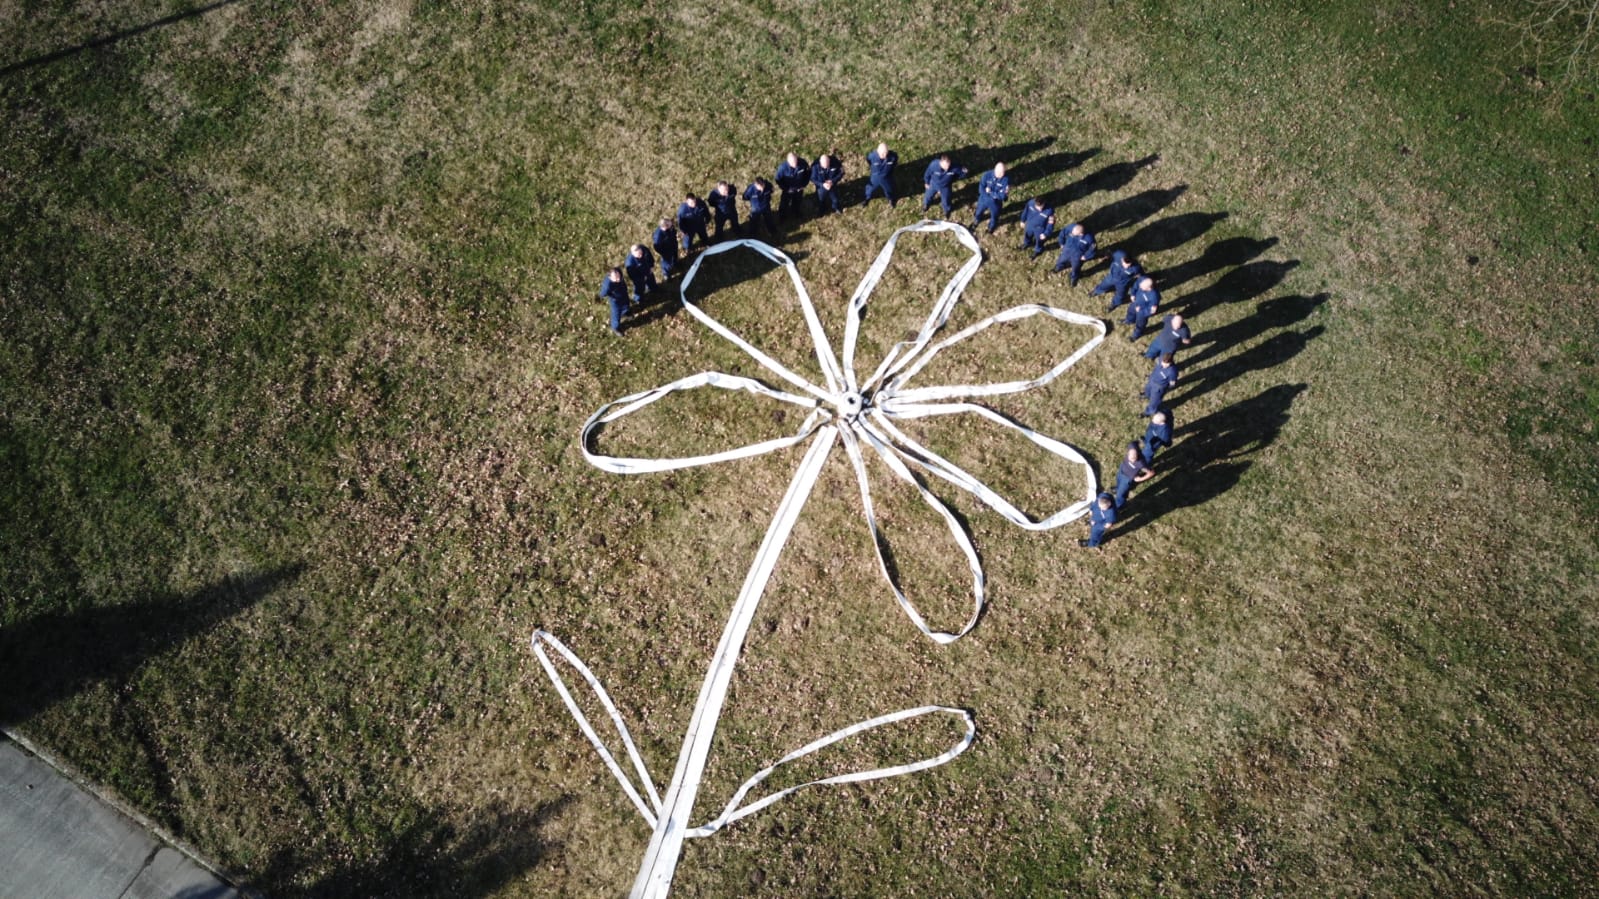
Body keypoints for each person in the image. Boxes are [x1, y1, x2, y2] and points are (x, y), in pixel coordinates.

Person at [1113, 443, 1154, 511]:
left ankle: (1119, 505)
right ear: (1128, 452)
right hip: (1121, 471)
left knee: (1120, 495)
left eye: (1134, 459)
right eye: (1130, 458)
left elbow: (1151, 473)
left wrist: (1140, 479)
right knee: (1118, 481)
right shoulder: (1132, 446)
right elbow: (1134, 443)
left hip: (1127, 479)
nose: (1132, 460)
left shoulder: (1140, 464)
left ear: (1137, 455)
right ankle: (1117, 488)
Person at [971, 162, 1009, 234]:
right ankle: (977, 220)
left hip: (996, 203)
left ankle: (991, 227)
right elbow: (981, 189)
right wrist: (993, 194)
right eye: (999, 172)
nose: (1001, 175)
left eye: (1003, 172)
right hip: (983, 199)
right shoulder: (986, 175)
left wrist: (991, 193)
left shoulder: (1005, 180)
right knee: (978, 211)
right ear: (995, 169)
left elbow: (1003, 196)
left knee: (994, 216)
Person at [776, 152, 811, 221]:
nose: (795, 163)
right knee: (784, 203)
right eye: (792, 162)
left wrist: (804, 184)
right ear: (788, 161)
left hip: (799, 189)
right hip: (788, 190)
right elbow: (778, 180)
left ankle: (796, 212)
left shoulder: (803, 163)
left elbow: (808, 174)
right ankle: (782, 216)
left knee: (797, 201)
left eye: (796, 161)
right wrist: (786, 189)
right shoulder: (782, 168)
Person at [1143, 353, 1178, 417]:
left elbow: (1172, 383)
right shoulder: (1160, 359)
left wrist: (1165, 389)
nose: (1164, 365)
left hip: (1158, 388)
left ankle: (1148, 412)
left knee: (1154, 402)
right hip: (1152, 380)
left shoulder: (1172, 371)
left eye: (1167, 364)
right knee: (1147, 389)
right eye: (1163, 363)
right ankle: (1146, 395)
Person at [864, 142, 899, 206]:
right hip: (875, 176)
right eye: (882, 153)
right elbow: (868, 160)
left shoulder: (893, 156)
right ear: (878, 152)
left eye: (886, 152)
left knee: (889, 189)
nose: (885, 155)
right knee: (870, 189)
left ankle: (891, 199)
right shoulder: (872, 156)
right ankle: (867, 198)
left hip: (887, 177)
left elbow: (895, 162)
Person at [599, 267, 630, 335]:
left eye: (618, 276)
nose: (618, 279)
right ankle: (615, 327)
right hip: (616, 301)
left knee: (626, 304)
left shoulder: (619, 272)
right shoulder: (607, 285)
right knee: (616, 314)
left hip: (623, 294)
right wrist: (612, 295)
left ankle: (625, 312)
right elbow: (602, 294)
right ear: (610, 277)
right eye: (615, 278)